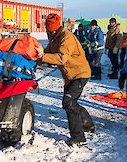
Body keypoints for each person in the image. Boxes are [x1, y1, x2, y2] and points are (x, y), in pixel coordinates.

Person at [36, 13, 95, 146]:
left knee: (69, 102)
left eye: (50, 31)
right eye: (47, 31)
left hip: (80, 74)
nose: (48, 33)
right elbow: (47, 53)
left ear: (56, 29)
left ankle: (78, 138)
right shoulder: (54, 38)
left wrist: (43, 57)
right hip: (69, 76)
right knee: (70, 103)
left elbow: (61, 58)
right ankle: (88, 124)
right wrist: (34, 61)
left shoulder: (66, 38)